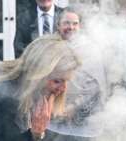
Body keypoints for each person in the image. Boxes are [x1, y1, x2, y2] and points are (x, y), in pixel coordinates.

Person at [0, 34, 82, 141]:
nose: (63, 88)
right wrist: (36, 134)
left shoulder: (31, 94)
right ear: (37, 74)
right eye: (57, 81)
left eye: (66, 81)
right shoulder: (2, 97)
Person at [46, 7, 108, 140]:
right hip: (53, 116)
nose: (71, 27)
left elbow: (94, 84)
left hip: (83, 119)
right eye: (66, 23)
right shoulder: (49, 47)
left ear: (80, 26)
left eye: (75, 23)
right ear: (58, 25)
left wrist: (74, 106)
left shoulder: (90, 49)